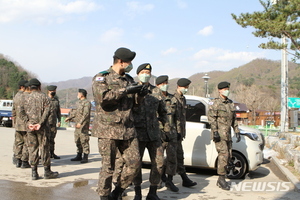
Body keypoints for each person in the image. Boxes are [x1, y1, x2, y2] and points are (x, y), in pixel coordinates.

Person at [92, 47, 144, 200]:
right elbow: (103, 98)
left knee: (134, 163)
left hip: (127, 129)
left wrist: (140, 96)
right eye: (129, 62)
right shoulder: (102, 77)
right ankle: (104, 196)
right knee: (108, 168)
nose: (131, 65)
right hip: (107, 129)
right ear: (121, 62)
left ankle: (118, 191)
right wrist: (125, 90)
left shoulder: (129, 79)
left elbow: (135, 104)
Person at [132, 64, 169, 200]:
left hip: (154, 134)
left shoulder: (157, 92)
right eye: (143, 72)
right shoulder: (132, 90)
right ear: (138, 74)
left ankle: (152, 192)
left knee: (159, 163)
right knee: (136, 164)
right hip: (137, 134)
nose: (146, 74)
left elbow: (163, 112)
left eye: (148, 72)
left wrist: (166, 130)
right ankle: (137, 193)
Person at [20, 78, 59, 180]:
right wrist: (40, 123)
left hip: (30, 128)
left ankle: (34, 173)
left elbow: (21, 112)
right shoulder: (45, 97)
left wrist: (28, 123)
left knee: (32, 149)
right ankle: (47, 172)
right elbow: (48, 111)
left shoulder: (25, 98)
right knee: (44, 148)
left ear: (29, 87)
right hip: (42, 128)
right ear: (39, 86)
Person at [208, 81, 241, 190]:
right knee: (224, 155)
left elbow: (234, 119)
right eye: (225, 89)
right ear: (219, 90)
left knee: (229, 156)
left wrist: (236, 130)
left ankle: (221, 179)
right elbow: (212, 119)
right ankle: (221, 179)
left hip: (228, 135)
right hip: (219, 135)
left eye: (228, 88)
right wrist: (215, 132)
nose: (227, 90)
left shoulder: (230, 103)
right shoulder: (215, 103)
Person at [156, 75, 179, 192]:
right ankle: (158, 180)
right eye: (163, 83)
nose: (166, 85)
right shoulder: (154, 98)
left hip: (172, 134)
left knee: (172, 158)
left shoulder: (173, 99)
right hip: (159, 135)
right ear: (157, 85)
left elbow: (177, 118)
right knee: (159, 160)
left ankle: (169, 181)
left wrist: (178, 132)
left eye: (167, 82)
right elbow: (152, 117)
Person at [173, 78, 197, 187]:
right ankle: (183, 178)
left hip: (179, 133)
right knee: (175, 156)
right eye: (185, 87)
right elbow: (173, 118)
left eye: (187, 88)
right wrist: (176, 131)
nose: (186, 89)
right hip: (173, 133)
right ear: (179, 86)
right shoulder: (173, 99)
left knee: (176, 156)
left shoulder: (183, 99)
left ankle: (181, 179)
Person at [65, 89, 91, 163]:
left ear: (82, 94)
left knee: (84, 140)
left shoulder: (87, 103)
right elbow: (76, 112)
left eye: (78, 94)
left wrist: (80, 122)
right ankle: (79, 155)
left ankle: (85, 156)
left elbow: (85, 114)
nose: (77, 95)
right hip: (77, 125)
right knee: (77, 140)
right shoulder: (78, 103)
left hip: (83, 126)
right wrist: (69, 118)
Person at [12, 80, 30, 168]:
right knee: (26, 143)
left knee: (18, 143)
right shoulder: (27, 97)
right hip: (26, 123)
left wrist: (14, 122)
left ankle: (17, 160)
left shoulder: (16, 96)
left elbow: (14, 110)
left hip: (18, 123)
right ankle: (24, 161)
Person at [47, 85, 61, 159]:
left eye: (55, 91)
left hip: (53, 123)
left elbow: (58, 111)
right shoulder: (45, 99)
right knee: (45, 139)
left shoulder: (56, 100)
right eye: (52, 91)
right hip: (46, 123)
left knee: (52, 139)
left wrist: (59, 120)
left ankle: (52, 153)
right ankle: (44, 154)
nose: (54, 92)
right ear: (49, 91)